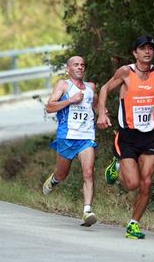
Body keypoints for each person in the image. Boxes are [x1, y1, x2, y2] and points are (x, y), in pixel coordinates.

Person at [97, 36, 154, 239]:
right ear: (135, 53)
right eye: (142, 49)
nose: (147, 52)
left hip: (150, 136)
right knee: (132, 184)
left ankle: (133, 224)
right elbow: (103, 89)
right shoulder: (126, 72)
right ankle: (116, 166)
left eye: (150, 49)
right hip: (128, 136)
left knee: (146, 182)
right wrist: (102, 113)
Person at [43, 55, 98, 227]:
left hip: (86, 137)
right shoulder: (63, 85)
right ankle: (54, 180)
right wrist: (70, 100)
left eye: (82, 64)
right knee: (62, 174)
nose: (80, 67)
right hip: (67, 137)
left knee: (88, 172)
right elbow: (49, 107)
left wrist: (103, 115)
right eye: (76, 65)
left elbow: (95, 107)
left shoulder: (91, 87)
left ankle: (87, 211)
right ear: (68, 69)